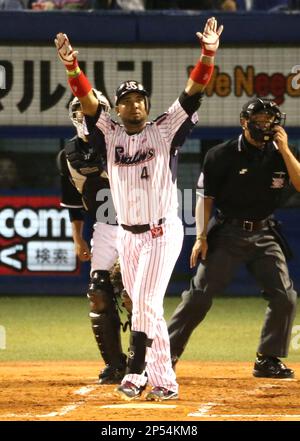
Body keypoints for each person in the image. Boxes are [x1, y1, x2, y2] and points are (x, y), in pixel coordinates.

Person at [54, 16, 223, 401]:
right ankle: (165, 382)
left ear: (147, 105)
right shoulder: (107, 134)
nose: (133, 105)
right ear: (116, 107)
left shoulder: (164, 130)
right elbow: (85, 99)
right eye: (126, 100)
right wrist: (71, 68)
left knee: (144, 302)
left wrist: (208, 53)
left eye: (139, 100)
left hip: (163, 231)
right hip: (128, 236)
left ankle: (136, 371)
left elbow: (194, 88)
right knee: (148, 308)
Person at [168, 97, 300, 379]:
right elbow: (205, 199)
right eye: (261, 119)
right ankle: (164, 356)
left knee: (285, 297)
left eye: (271, 119)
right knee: (199, 297)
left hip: (264, 232)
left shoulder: (281, 152)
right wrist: (201, 236)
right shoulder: (221, 154)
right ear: (244, 122)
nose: (266, 125)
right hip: (227, 232)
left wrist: (286, 150)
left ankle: (267, 359)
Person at [57, 90, 131, 384]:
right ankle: (115, 365)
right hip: (104, 225)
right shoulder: (68, 155)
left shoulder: (124, 141)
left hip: (138, 225)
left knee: (133, 295)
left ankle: (144, 361)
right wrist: (78, 238)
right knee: (98, 293)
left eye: (93, 109)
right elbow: (73, 202)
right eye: (79, 109)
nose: (85, 114)